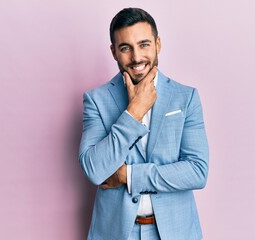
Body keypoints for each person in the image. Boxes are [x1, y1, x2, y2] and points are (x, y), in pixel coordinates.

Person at [79, 7, 209, 240]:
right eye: (125, 48)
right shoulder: (96, 100)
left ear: (158, 44)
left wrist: (128, 175)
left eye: (144, 44)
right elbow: (95, 169)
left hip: (176, 232)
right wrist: (134, 112)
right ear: (114, 52)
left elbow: (197, 171)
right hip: (115, 233)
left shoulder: (185, 97)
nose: (137, 57)